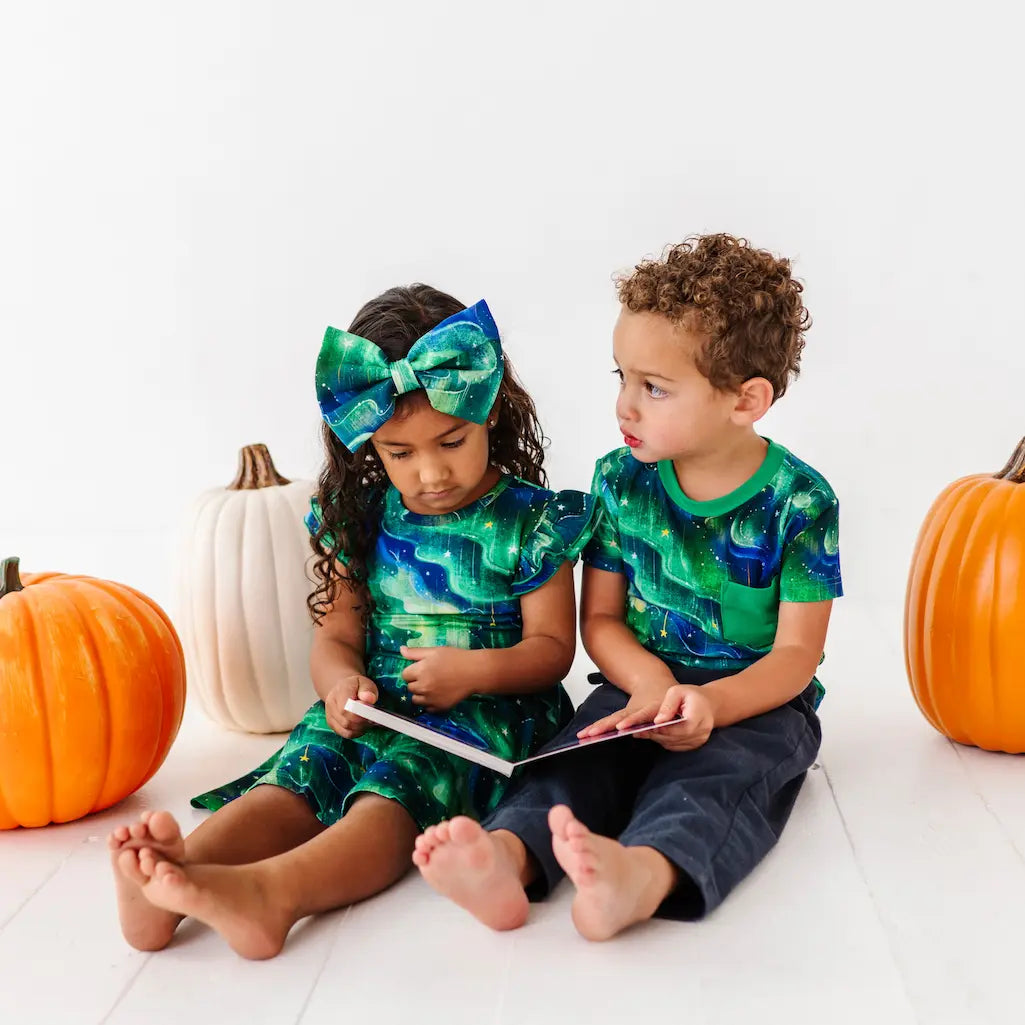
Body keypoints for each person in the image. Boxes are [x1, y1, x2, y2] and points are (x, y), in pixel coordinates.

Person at [109, 284, 595, 958]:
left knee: (391, 797)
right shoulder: (361, 516)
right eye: (399, 452)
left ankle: (276, 893)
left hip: (483, 715)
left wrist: (472, 671)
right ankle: (175, 871)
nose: (428, 471)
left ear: (491, 413)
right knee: (303, 771)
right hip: (377, 706)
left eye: (450, 441)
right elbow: (336, 635)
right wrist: (339, 684)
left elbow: (550, 650)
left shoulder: (530, 520)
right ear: (371, 446)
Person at [415, 235, 843, 940]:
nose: (624, 405)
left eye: (653, 387)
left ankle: (638, 876)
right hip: (634, 688)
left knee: (710, 783)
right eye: (620, 375)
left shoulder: (799, 503)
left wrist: (708, 702)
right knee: (572, 761)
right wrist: (646, 685)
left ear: (745, 399)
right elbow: (604, 620)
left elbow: (795, 656)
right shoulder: (621, 480)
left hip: (753, 704)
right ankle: (505, 857)